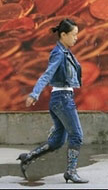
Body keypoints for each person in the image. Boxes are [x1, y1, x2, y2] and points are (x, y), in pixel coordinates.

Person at [17, 18, 88, 184]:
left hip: (61, 98)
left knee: (57, 141)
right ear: (63, 35)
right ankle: (70, 172)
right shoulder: (58, 53)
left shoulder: (66, 51)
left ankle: (28, 157)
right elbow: (47, 74)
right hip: (62, 99)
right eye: (74, 35)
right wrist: (35, 93)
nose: (76, 38)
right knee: (77, 136)